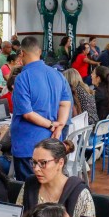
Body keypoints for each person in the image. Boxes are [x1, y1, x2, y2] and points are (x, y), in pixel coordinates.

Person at [10, 36, 72, 181]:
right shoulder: (57, 74)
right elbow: (65, 103)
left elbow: (27, 113)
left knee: (29, 190)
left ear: (22, 54)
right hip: (53, 142)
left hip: (29, 144)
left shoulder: (23, 78)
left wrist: (51, 125)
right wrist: (59, 127)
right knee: (50, 188)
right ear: (39, 52)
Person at [16, 138, 95, 217]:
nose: (36, 169)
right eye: (34, 162)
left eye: (43, 163)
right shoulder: (29, 185)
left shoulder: (79, 193)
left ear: (60, 163)